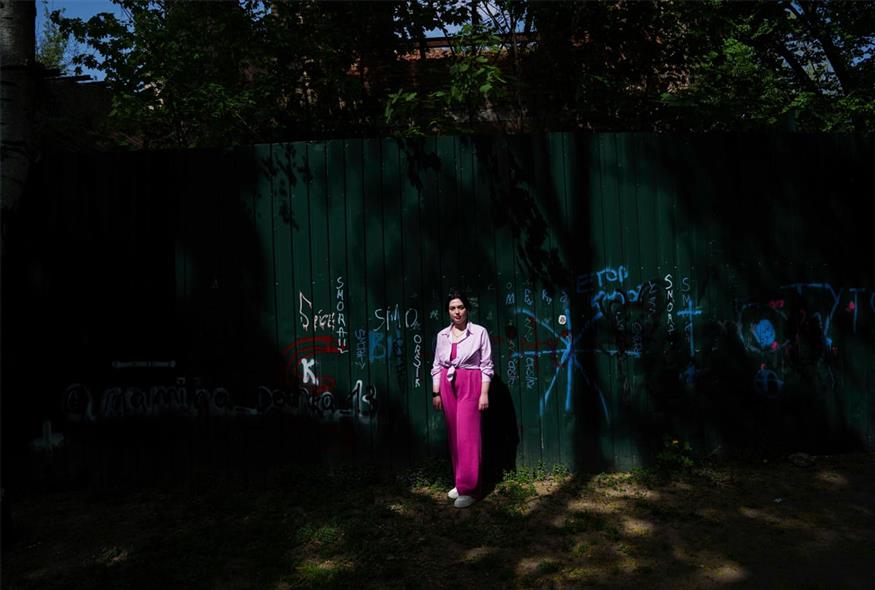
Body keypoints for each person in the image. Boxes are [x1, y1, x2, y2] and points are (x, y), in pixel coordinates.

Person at [431, 290, 493, 508]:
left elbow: (486, 365)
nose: (457, 312)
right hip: (447, 385)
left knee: (468, 436)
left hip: (470, 383)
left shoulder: (479, 332)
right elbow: (436, 365)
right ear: (448, 311)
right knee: (455, 435)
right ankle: (461, 482)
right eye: (452, 308)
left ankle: (471, 489)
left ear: (467, 309)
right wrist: (436, 392)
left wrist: (484, 393)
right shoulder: (442, 335)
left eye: (460, 307)